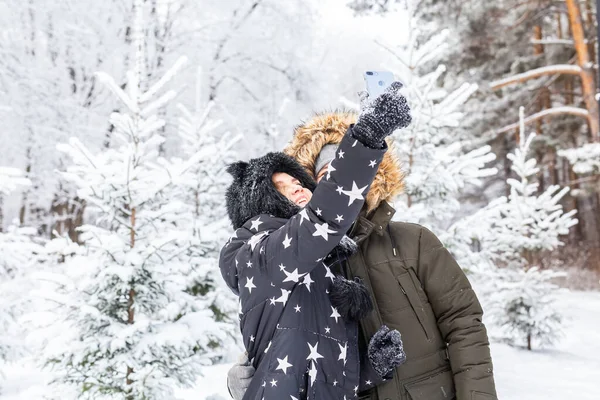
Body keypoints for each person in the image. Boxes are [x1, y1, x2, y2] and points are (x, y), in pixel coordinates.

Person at [227, 109, 499, 400]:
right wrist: (244, 375)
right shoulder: (308, 265)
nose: (339, 181)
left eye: (341, 171)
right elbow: (291, 343)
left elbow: (464, 324)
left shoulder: (414, 240)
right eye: (325, 177)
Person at [219, 82, 413, 400]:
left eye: (298, 180)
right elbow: (322, 219)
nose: (297, 187)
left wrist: (372, 368)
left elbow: (321, 375)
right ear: (260, 203)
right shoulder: (258, 253)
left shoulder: (320, 269)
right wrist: (367, 137)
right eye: (281, 186)